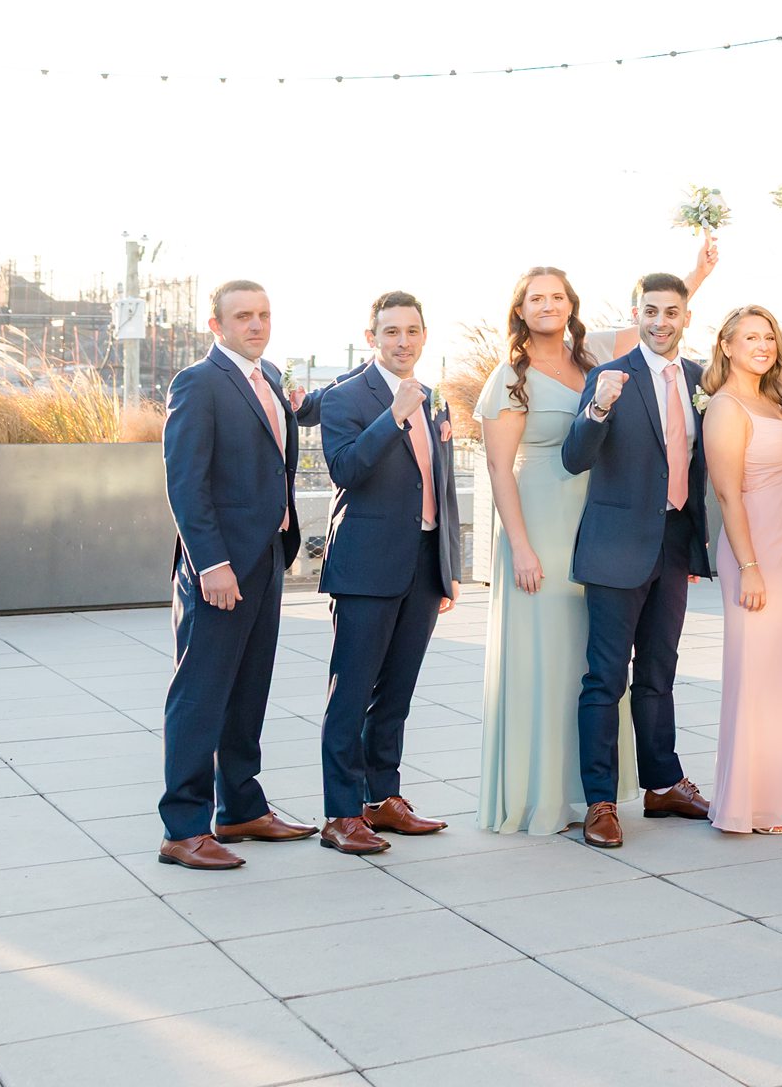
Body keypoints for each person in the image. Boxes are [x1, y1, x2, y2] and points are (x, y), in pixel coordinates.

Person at [156, 280, 318, 868]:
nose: (256, 324)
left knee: (249, 690)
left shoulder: (269, 377)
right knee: (201, 694)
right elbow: (186, 482)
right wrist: (212, 564)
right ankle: (184, 829)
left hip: (267, 557)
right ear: (215, 324)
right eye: (243, 316)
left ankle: (241, 808)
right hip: (219, 568)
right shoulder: (199, 383)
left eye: (264, 315)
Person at [476, 266, 635, 835]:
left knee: (588, 658)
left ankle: (589, 791)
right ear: (520, 310)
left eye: (557, 296)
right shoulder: (509, 377)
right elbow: (498, 468)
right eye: (535, 298)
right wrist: (520, 547)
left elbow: (656, 321)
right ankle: (538, 792)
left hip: (595, 521)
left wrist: (700, 267)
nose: (547, 305)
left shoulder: (590, 359)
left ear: (571, 305)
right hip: (538, 522)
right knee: (544, 658)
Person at [561, 273, 717, 849]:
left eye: (671, 311)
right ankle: (600, 802)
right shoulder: (610, 376)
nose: (660, 321)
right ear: (637, 312)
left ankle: (662, 784)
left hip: (673, 545)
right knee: (604, 679)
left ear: (685, 318)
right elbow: (576, 458)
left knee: (659, 673)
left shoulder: (702, 379)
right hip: (614, 547)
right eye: (650, 310)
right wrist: (597, 411)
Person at [312, 291, 462, 855]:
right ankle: (340, 814)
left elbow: (439, 486)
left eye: (413, 331)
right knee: (349, 695)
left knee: (396, 693)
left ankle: (383, 798)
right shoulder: (346, 397)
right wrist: (392, 415)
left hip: (422, 565)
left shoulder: (434, 397)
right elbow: (346, 469)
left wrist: (446, 568)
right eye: (392, 331)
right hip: (365, 567)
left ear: (424, 335)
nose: (403, 341)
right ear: (372, 336)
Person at [706, 303, 782, 834]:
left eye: (768, 338)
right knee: (762, 674)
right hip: (756, 547)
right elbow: (727, 495)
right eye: (750, 337)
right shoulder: (726, 408)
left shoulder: (778, 396)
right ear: (727, 346)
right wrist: (750, 567)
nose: (762, 345)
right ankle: (755, 801)